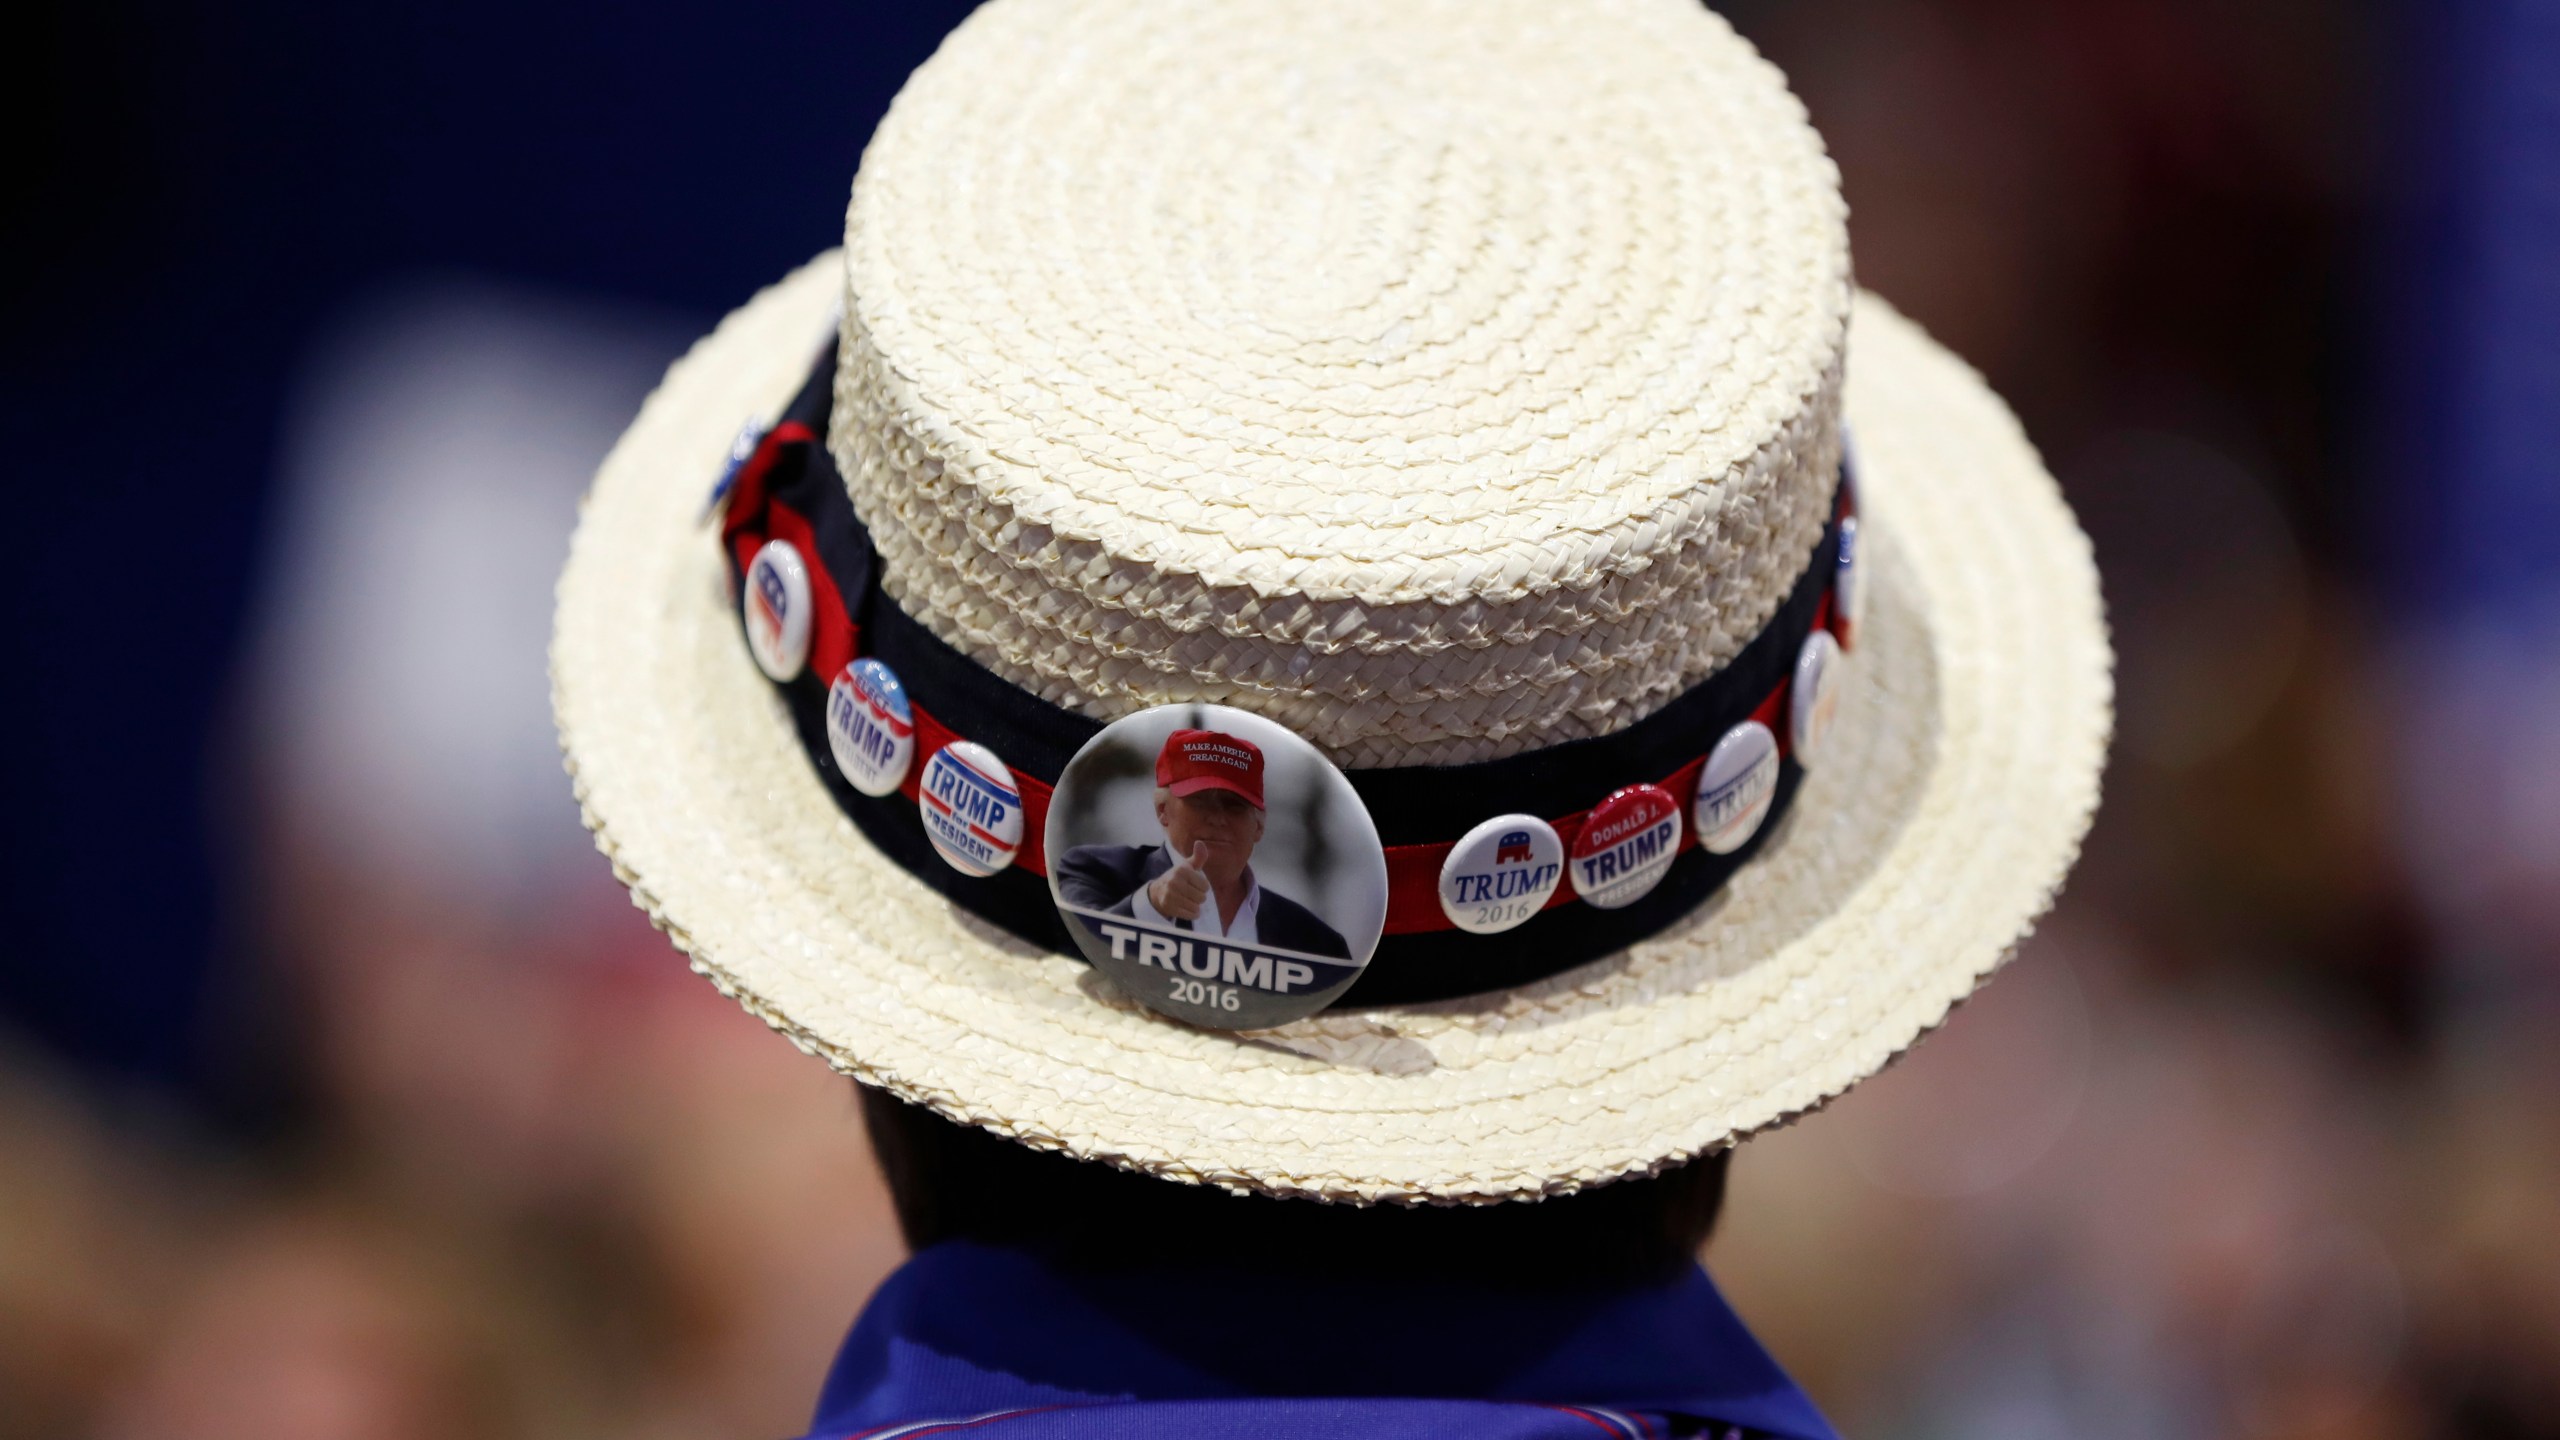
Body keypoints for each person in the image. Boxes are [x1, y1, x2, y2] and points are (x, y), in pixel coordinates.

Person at [1053, 728, 1354, 959]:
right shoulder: (1092, 871)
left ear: (1259, 825)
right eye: (1199, 801)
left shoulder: (1318, 943)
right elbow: (1077, 945)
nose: (1217, 818)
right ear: (1162, 810)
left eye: (1233, 804)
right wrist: (1151, 905)